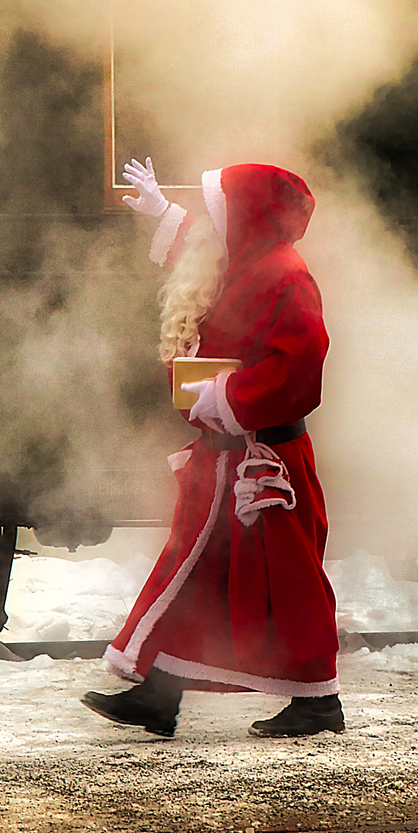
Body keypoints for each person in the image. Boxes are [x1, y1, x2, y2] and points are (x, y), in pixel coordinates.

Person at [81, 157, 342, 739]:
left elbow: (302, 367)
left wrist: (228, 394)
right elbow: (206, 254)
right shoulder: (253, 262)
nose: (209, 219)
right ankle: (159, 694)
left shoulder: (287, 275)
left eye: (218, 206)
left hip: (263, 463)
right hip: (229, 458)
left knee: (288, 582)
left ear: (245, 216)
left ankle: (318, 701)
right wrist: (163, 213)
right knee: (200, 575)